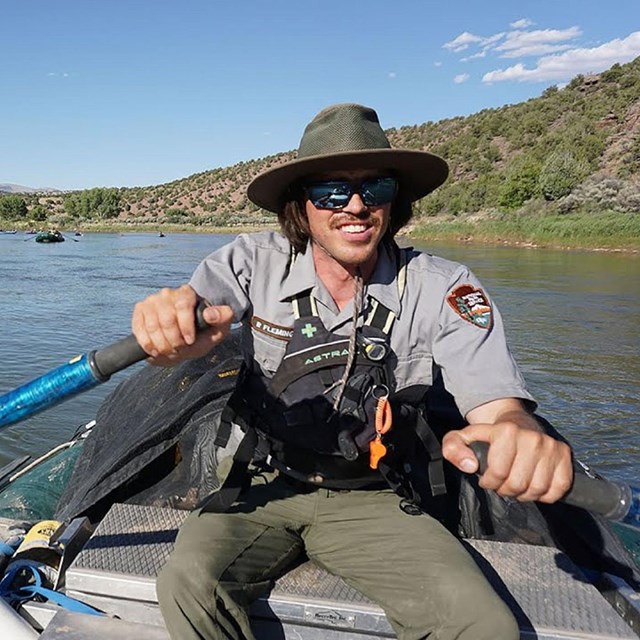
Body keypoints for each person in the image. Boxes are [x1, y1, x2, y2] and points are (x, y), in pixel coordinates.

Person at [131, 103, 573, 640]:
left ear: (396, 202)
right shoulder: (249, 262)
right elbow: (194, 315)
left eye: (377, 189)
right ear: (302, 206)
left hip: (376, 496)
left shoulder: (444, 286)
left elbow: (499, 405)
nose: (357, 207)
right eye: (332, 191)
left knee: (483, 624)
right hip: (263, 488)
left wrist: (517, 433)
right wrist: (171, 326)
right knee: (187, 582)